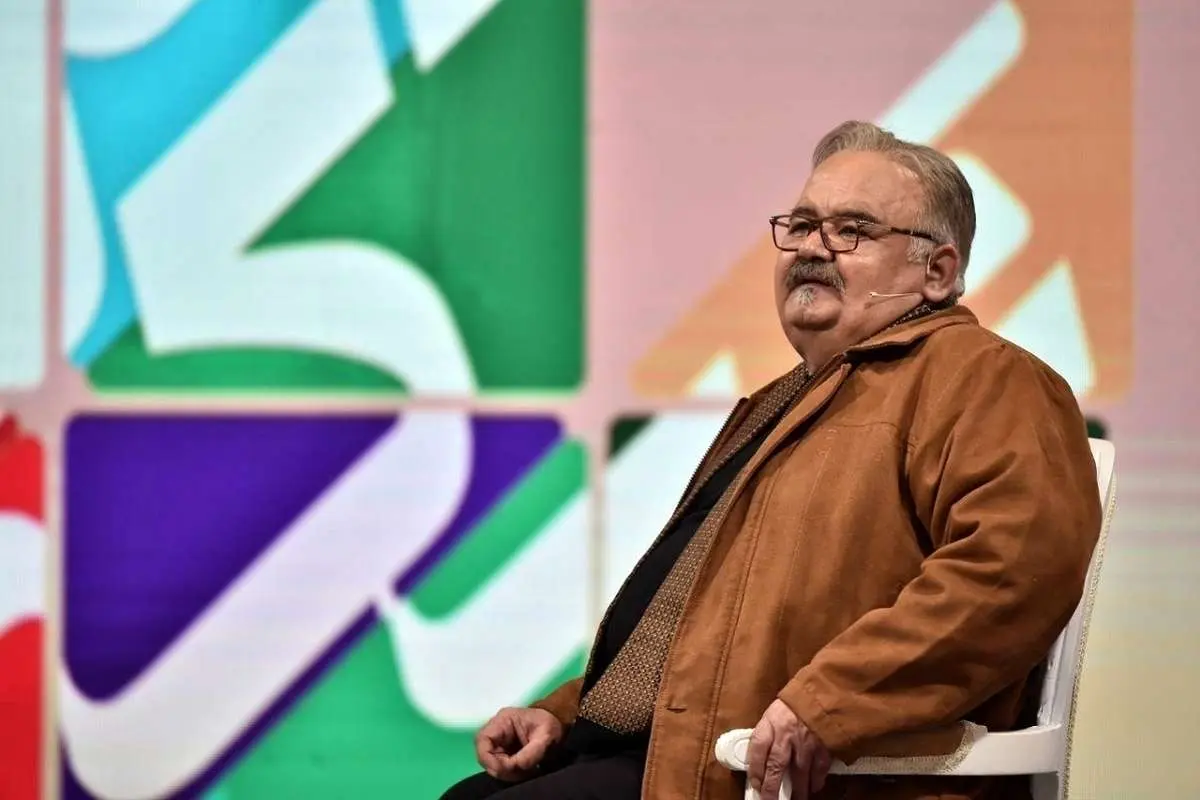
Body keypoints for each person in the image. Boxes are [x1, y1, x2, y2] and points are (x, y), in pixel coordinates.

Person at [439, 120, 1101, 800]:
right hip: (665, 755)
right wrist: (565, 714)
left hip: (782, 777)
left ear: (938, 271)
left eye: (851, 230)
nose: (812, 248)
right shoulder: (782, 401)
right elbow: (695, 629)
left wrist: (831, 701)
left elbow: (1014, 569)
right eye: (803, 225)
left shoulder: (987, 377)